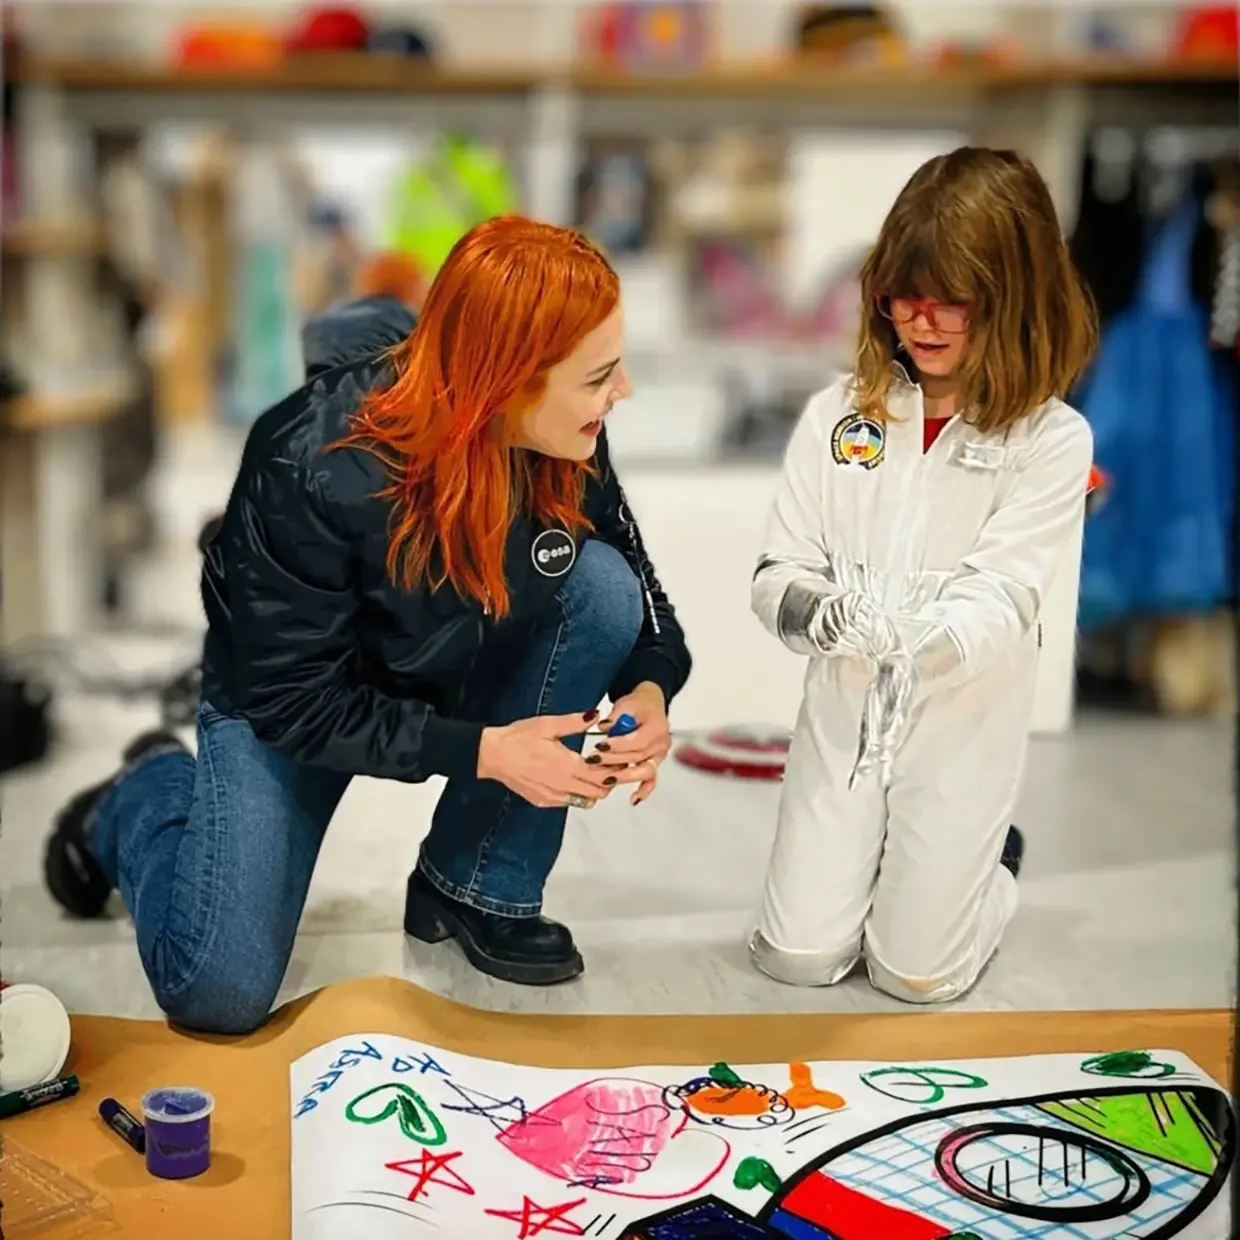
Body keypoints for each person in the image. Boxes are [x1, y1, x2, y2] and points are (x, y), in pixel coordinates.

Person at [44, 216, 691, 1034]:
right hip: (293, 704)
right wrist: (489, 751)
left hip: (443, 653)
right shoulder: (304, 461)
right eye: (599, 376)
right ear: (509, 381)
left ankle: (473, 886)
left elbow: (646, 606)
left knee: (599, 587)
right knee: (217, 991)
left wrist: (650, 690)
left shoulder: (567, 436)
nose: (622, 391)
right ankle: (141, 793)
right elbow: (291, 698)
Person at [749, 147, 1098, 1004]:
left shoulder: (1053, 441)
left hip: (963, 714)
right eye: (905, 296)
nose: (924, 322)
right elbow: (775, 571)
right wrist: (821, 616)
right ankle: (876, 868)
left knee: (916, 977)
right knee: (797, 959)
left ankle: (990, 873)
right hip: (845, 704)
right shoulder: (842, 415)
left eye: (957, 302)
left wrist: (921, 638)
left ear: (1017, 299)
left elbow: (1006, 594)